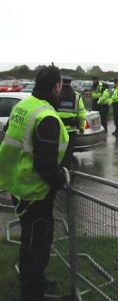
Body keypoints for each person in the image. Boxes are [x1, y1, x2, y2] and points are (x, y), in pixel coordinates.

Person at [0, 65, 69, 301]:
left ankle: (36, 282)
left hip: (18, 185)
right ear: (56, 86)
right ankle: (32, 291)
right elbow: (46, 165)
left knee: (33, 241)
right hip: (35, 193)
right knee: (35, 245)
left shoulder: (22, 106)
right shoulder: (45, 116)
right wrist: (61, 179)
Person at [56, 75, 86, 168]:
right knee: (68, 153)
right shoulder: (76, 96)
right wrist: (82, 127)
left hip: (57, 129)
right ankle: (66, 172)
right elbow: (81, 114)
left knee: (56, 152)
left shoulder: (55, 95)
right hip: (71, 130)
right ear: (70, 83)